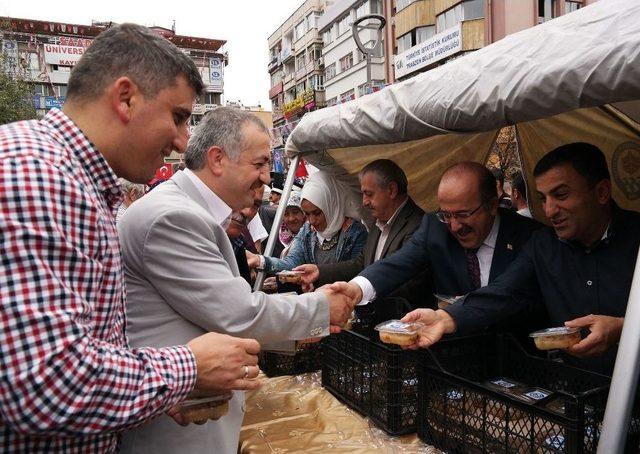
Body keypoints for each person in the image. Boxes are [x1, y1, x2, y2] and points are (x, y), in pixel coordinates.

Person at [0, 23, 261, 452]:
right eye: (177, 117)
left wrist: (156, 395)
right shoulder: (40, 176)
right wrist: (189, 368)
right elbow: (44, 383)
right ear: (125, 98)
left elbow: (89, 342)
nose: (182, 140)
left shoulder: (80, 182)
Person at [118, 107, 354, 454]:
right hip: (176, 432)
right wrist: (322, 308)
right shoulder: (173, 217)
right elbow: (239, 314)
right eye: (259, 164)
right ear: (217, 159)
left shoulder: (187, 211)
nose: (266, 179)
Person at [401, 143, 640, 374]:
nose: (549, 210)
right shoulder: (543, 244)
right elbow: (504, 292)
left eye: (561, 195)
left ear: (601, 192)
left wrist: (623, 328)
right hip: (575, 395)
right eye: (543, 198)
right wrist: (445, 317)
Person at [331, 162, 542, 321]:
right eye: (447, 215)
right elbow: (399, 263)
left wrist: (448, 319)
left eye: (464, 214)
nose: (455, 226)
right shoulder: (435, 228)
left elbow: (506, 293)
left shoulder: (528, 236)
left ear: (492, 205)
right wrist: (356, 289)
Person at [295, 159, 428, 309]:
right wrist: (319, 271)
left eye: (369, 194)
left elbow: (406, 281)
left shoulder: (419, 225)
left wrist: (354, 293)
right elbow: (361, 264)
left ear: (391, 190)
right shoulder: (379, 222)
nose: (364, 202)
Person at [248, 171, 367, 275]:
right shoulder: (308, 231)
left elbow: (356, 272)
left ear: (332, 205)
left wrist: (318, 275)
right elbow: (291, 263)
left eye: (317, 213)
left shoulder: (355, 233)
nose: (311, 221)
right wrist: (260, 261)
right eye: (307, 214)